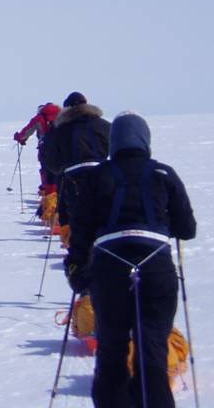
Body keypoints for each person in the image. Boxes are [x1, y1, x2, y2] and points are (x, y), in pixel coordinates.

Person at [65, 112, 196, 408]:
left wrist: (77, 270)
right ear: (145, 140)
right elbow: (187, 230)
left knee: (111, 349)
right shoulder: (164, 174)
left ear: (113, 142)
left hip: (110, 270)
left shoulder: (98, 176)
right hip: (157, 268)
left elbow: (81, 228)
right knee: (152, 349)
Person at [42, 91, 111, 231]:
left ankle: (75, 243)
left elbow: (51, 161)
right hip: (103, 176)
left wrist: (59, 169)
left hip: (72, 180)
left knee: (75, 219)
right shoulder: (105, 126)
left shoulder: (59, 130)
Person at [14, 102, 61, 193]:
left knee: (46, 170)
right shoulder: (62, 115)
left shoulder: (39, 118)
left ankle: (48, 192)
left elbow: (27, 131)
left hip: (45, 149)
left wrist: (19, 138)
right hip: (61, 148)